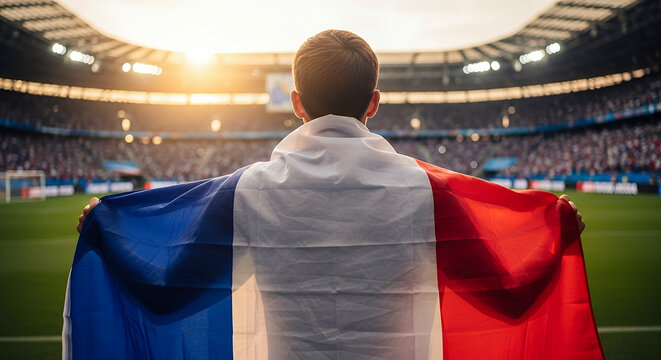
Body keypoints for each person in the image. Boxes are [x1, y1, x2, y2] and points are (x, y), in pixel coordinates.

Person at [69, 30, 600, 360]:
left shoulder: (246, 192)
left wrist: (108, 232)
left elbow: (166, 293)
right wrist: (553, 234)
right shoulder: (429, 191)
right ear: (374, 103)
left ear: (297, 103)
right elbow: (507, 295)